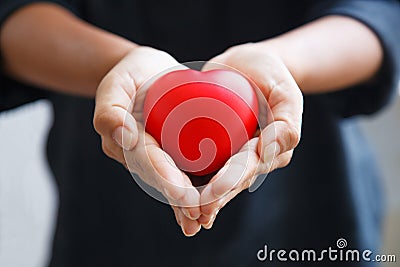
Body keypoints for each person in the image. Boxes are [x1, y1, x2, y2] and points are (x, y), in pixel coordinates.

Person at [0, 0, 399, 266]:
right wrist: (116, 63)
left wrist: (282, 64)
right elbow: (14, 14)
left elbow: (379, 12)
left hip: (311, 214)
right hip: (108, 218)